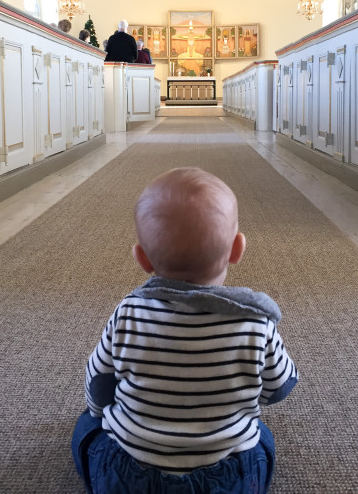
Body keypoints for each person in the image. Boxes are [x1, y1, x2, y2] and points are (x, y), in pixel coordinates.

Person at [71, 167, 298, 493]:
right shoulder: (255, 323)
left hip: (131, 476)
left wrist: (99, 413)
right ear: (237, 249)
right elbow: (280, 388)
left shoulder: (128, 313)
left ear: (142, 259)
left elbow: (99, 383)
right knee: (260, 438)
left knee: (88, 428)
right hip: (226, 475)